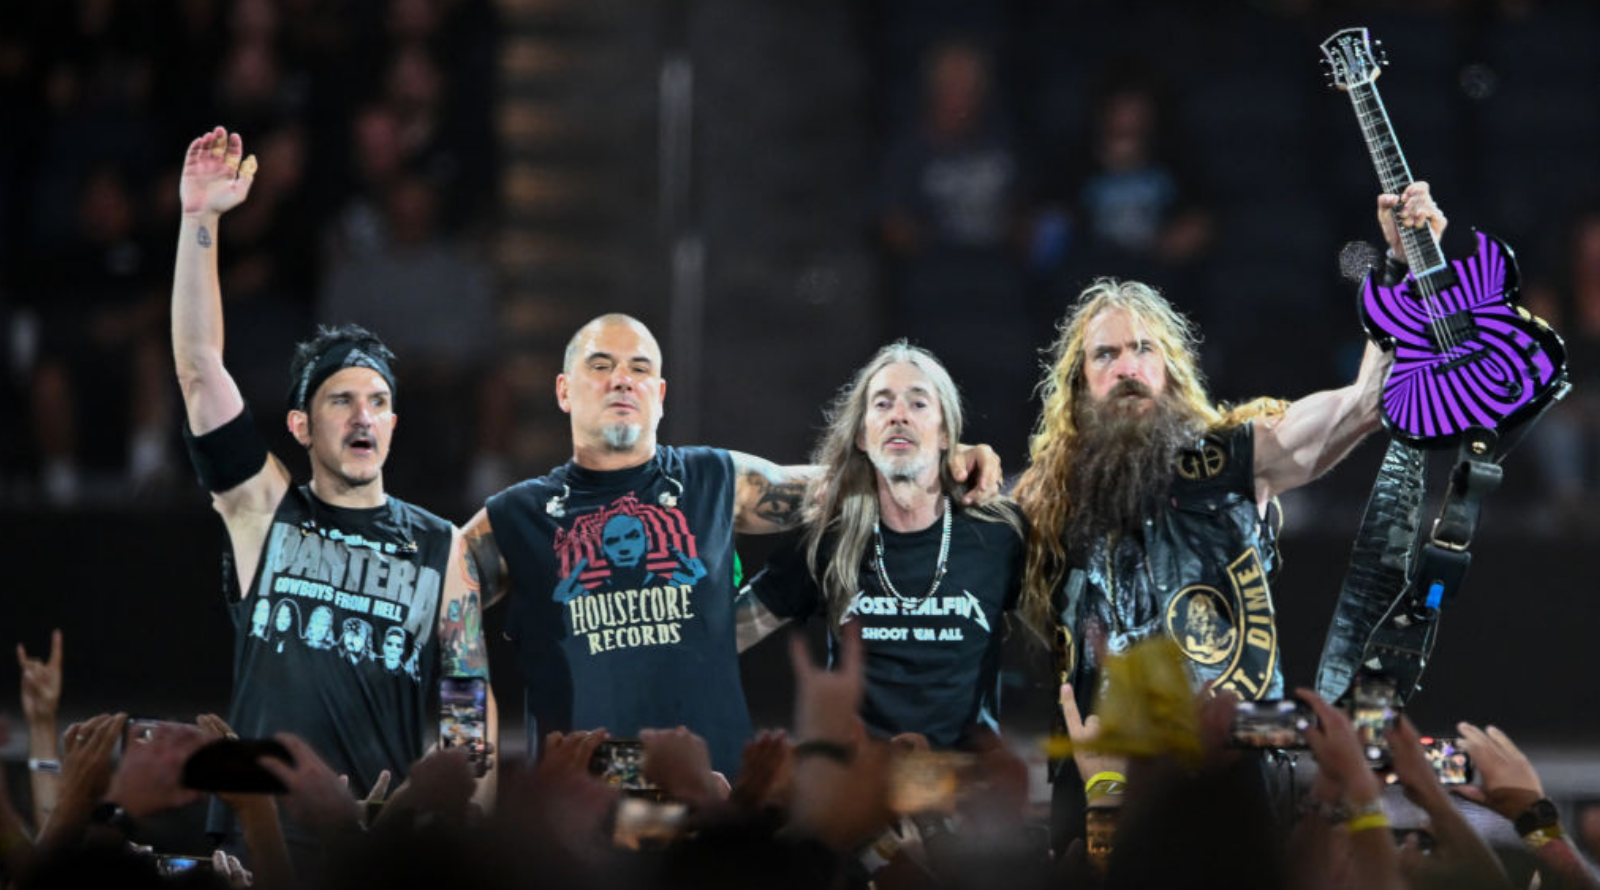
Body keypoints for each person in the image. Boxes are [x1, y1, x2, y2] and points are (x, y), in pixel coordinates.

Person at [1012, 182, 1445, 841]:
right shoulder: (1042, 494)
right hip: (1101, 782)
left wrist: (1404, 273)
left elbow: (1365, 402)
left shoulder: (1238, 459)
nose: (1127, 366)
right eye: (1106, 354)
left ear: (1172, 369)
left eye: (1143, 349)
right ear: (1079, 383)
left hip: (1234, 777)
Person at [459, 314, 1000, 774]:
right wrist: (467, 780)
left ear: (661, 394)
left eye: (641, 368)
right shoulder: (513, 517)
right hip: (581, 808)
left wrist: (944, 453)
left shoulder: (714, 479)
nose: (622, 380)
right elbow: (445, 641)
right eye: (600, 366)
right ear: (563, 390)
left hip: (714, 802)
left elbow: (863, 478)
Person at [169, 127, 491, 859]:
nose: (362, 416)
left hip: (381, 848)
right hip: (259, 845)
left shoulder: (443, 545)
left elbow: (468, 701)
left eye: (378, 401)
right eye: (341, 400)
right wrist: (200, 220)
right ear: (300, 425)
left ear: (395, 423)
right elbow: (197, 367)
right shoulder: (266, 511)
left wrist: (465, 825)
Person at [734, 341, 1025, 749]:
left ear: (946, 434)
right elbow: (729, 633)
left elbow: (1064, 631)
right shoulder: (829, 539)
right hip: (857, 793)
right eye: (883, 404)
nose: (899, 415)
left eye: (918, 404)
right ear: (861, 436)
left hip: (967, 794)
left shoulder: (999, 534)